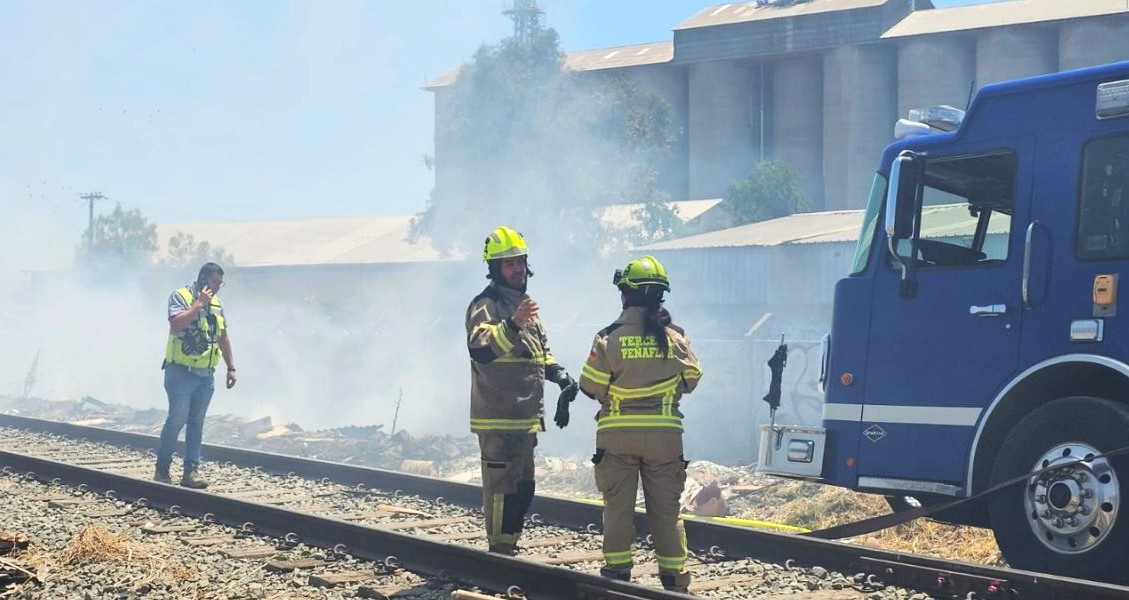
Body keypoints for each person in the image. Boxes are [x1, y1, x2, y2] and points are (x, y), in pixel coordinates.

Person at [579, 255, 702, 593]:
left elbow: (589, 386)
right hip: (665, 439)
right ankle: (674, 579)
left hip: (617, 437)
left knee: (618, 508)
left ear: (625, 295)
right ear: (661, 297)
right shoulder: (675, 338)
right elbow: (692, 378)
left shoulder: (608, 338)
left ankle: (618, 573)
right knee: (665, 510)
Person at [465, 225, 578, 555]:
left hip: (525, 418)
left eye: (519, 261)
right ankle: (500, 552)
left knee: (524, 487)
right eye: (508, 263)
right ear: (495, 269)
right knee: (501, 490)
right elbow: (482, 351)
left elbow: (538, 353)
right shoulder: (486, 305)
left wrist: (561, 376)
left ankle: (510, 545)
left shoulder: (526, 307)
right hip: (496, 418)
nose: (516, 269)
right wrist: (513, 323)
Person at [154, 262, 237, 489]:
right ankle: (162, 469)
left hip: (205, 375)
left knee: (196, 423)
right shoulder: (180, 296)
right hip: (180, 372)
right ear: (202, 278)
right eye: (214, 282)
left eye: (220, 283)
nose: (218, 288)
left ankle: (191, 471)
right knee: (177, 419)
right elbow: (176, 325)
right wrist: (199, 304)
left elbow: (223, 336)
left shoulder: (217, 304)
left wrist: (231, 367)